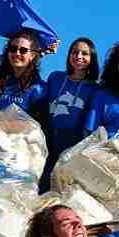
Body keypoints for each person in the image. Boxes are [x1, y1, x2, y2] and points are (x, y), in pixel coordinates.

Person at [40, 37, 100, 191]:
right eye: (75, 52)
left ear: (91, 58)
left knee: (61, 187)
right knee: (41, 184)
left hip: (73, 142)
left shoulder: (95, 88)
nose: (79, 56)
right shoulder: (56, 77)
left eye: (84, 53)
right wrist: (40, 54)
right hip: (48, 138)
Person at [0, 28, 51, 114]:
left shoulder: (38, 88)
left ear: (32, 56)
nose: (17, 53)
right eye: (13, 49)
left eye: (23, 50)